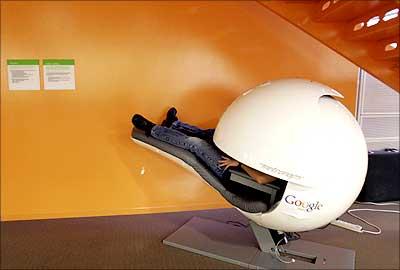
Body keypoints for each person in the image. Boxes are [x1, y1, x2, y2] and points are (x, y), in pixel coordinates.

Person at [132, 108, 276, 185]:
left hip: (231, 173)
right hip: (235, 159)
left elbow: (261, 180)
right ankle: (173, 125)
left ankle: (151, 129)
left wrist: (239, 163)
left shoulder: (289, 172)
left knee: (197, 144)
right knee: (216, 134)